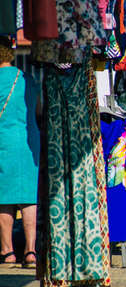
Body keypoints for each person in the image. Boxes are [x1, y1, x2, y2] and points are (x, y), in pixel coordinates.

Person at [0, 36, 40, 268]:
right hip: (27, 142)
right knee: (28, 197)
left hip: (3, 141)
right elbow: (38, 110)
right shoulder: (27, 78)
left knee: (3, 199)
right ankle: (30, 250)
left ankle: (7, 251)